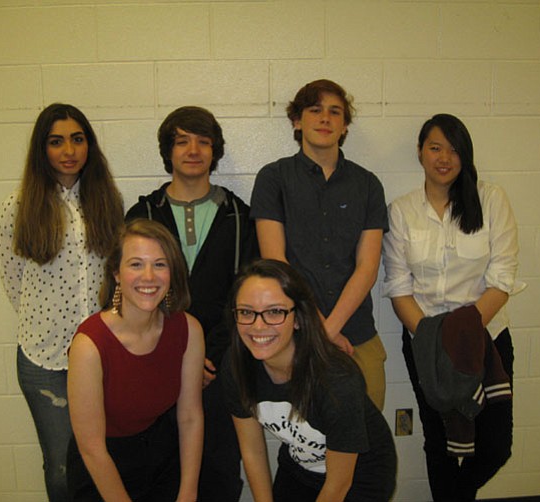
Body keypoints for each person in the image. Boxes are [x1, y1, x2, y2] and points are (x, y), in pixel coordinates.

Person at [382, 113, 519, 501]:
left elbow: (503, 277)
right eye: (435, 147)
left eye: (454, 149)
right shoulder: (402, 211)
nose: (444, 157)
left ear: (466, 156)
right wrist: (432, 340)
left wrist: (463, 334)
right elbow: (397, 284)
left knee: (495, 446)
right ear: (421, 152)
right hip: (424, 342)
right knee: (439, 441)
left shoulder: (491, 200)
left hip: (487, 338)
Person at [125, 106, 257, 501]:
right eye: (182, 141)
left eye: (203, 141)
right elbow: (133, 297)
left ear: (215, 151)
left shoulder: (239, 217)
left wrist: (208, 357)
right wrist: (176, 357)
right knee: (160, 475)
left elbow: (246, 297)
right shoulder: (142, 214)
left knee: (218, 476)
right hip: (155, 365)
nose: (193, 150)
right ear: (168, 151)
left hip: (220, 368)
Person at [0, 103, 122, 501]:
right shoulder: (18, 207)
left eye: (77, 138)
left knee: (102, 457)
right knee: (62, 464)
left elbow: (116, 273)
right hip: (44, 359)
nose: (69, 149)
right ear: (42, 149)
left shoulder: (108, 201)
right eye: (56, 141)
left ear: (89, 145)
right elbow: (14, 280)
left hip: (104, 355)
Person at [250, 79, 389, 410]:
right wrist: (317, 331)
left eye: (335, 112)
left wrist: (329, 330)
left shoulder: (368, 185)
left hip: (356, 336)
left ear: (344, 127)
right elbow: (276, 261)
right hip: (294, 336)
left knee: (366, 442)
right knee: (306, 444)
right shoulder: (273, 179)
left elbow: (368, 268)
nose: (325, 118)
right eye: (315, 110)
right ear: (297, 121)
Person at [222, 259, 397, 502]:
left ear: (298, 318)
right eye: (246, 312)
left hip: (361, 475)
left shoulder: (337, 381)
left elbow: (338, 486)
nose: (258, 325)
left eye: (274, 312)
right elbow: (252, 450)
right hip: (299, 467)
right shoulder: (236, 366)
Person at [66, 219, 204, 501]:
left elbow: (190, 417)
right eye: (136, 264)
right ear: (116, 273)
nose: (149, 276)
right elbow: (92, 448)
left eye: (160, 264)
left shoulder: (188, 329)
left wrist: (188, 493)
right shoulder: (89, 345)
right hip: (102, 466)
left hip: (161, 457)